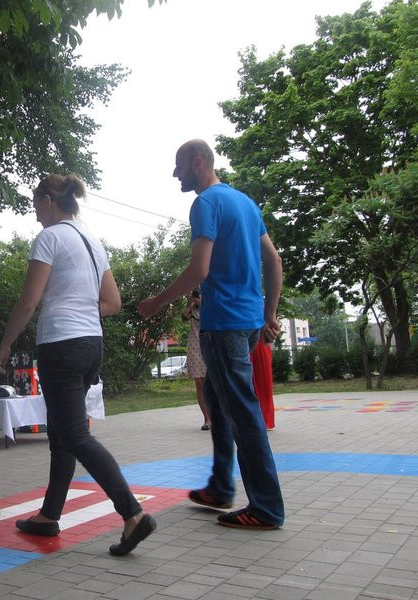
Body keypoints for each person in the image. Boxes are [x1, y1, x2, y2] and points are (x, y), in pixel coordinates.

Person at [0, 173, 156, 556]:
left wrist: (3, 345)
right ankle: (49, 516)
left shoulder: (49, 238)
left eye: (35, 204)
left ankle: (132, 514)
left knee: (75, 436)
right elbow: (113, 303)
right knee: (64, 433)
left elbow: (28, 302)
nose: (35, 213)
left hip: (62, 346)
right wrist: (79, 305)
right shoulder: (92, 241)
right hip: (90, 344)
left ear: (49, 199)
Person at [138, 139, 285, 530]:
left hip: (222, 325)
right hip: (249, 322)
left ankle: (267, 508)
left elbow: (199, 270)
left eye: (179, 166)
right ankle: (221, 486)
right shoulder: (246, 203)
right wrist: (268, 312)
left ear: (198, 162)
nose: (175, 174)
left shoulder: (205, 204)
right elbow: (274, 259)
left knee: (243, 414)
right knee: (220, 406)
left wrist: (157, 302)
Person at [183, 289, 210, 430]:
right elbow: (183, 317)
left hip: (210, 343)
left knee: (212, 381)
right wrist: (190, 303)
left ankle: (218, 416)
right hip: (195, 345)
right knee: (199, 382)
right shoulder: (192, 307)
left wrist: (200, 302)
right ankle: (207, 418)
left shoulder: (208, 304)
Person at [251, 339, 275, 430]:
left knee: (264, 383)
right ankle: (254, 419)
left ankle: (265, 419)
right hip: (244, 342)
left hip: (260, 343)